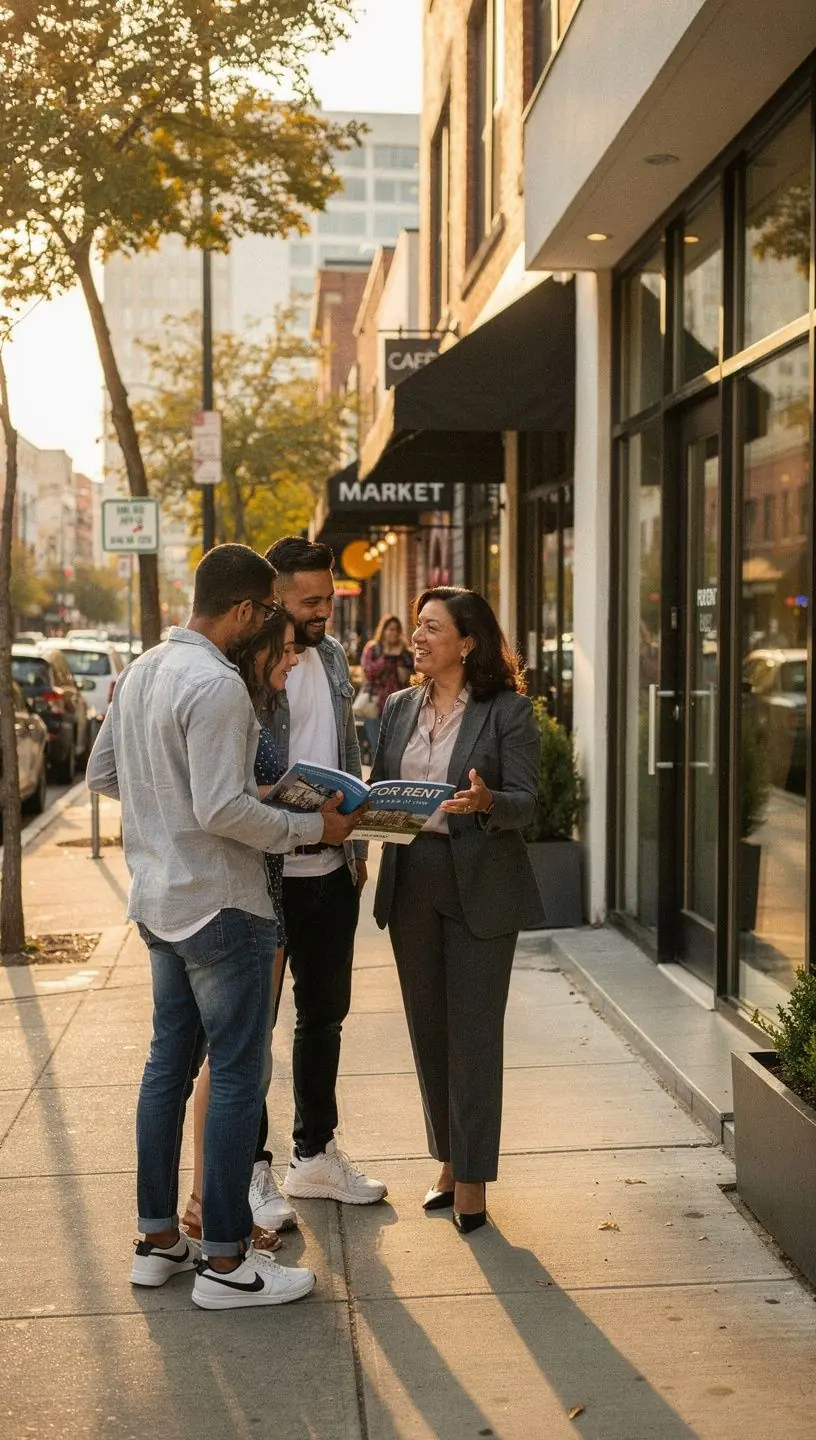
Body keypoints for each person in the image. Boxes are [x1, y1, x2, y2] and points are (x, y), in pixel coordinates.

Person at [87, 543, 362, 1310]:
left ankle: (157, 1241)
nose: (273, 623)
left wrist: (173, 814)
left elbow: (104, 775)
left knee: (165, 1074)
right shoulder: (217, 684)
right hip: (223, 908)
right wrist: (315, 833)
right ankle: (227, 1261)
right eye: (267, 609)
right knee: (240, 1079)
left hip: (160, 905)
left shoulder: (143, 670)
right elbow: (221, 812)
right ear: (242, 612)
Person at [371, 586, 545, 1234]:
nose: (417, 638)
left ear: (466, 642)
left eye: (431, 628)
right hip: (411, 876)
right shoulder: (397, 708)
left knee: (473, 1034)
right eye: (416, 627)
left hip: (479, 882)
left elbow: (528, 801)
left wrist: (487, 802)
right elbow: (383, 789)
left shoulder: (508, 711)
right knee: (429, 1030)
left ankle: (472, 1179)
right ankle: (448, 1159)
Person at [263, 536, 387, 1206]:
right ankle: (252, 1169)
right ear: (274, 595)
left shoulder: (335, 655)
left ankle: (313, 1153)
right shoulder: (250, 664)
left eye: (328, 598)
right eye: (308, 601)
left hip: (331, 866)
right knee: (255, 1025)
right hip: (266, 872)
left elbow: (346, 748)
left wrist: (359, 846)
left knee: (324, 1017)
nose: (322, 613)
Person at [180, 605, 300, 1247]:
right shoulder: (228, 699)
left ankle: (213, 1205)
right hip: (239, 897)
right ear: (255, 644)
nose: (292, 659)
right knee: (230, 1062)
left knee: (243, 1058)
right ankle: (210, 1207)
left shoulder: (244, 699)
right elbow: (223, 805)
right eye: (282, 649)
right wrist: (297, 816)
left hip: (261, 894)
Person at [360, 614, 414, 757]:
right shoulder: (373, 649)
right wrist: (386, 656)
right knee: (377, 749)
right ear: (383, 631)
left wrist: (399, 658)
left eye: (396, 629)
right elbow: (369, 673)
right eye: (390, 629)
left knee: (398, 750)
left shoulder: (405, 653)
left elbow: (412, 678)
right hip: (375, 706)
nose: (393, 633)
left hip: (400, 707)